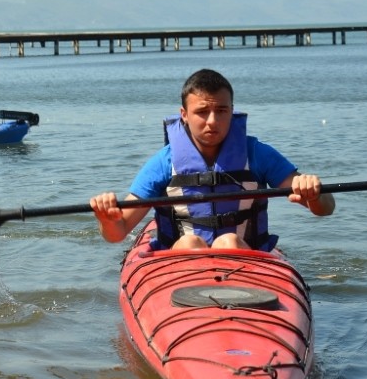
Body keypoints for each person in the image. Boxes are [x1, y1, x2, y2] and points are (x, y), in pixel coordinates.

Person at [90, 68, 334, 250]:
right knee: (190, 243)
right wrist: (107, 219)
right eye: (202, 112)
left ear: (232, 110)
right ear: (184, 115)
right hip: (182, 259)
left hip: (241, 255)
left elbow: (325, 208)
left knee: (228, 242)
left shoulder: (257, 154)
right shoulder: (164, 162)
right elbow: (117, 232)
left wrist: (313, 193)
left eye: (221, 111)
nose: (212, 122)